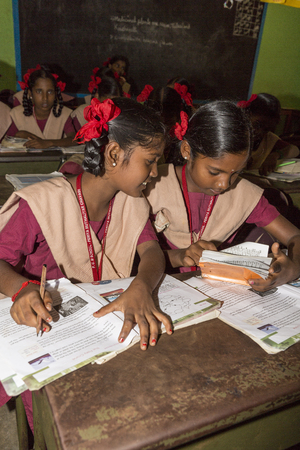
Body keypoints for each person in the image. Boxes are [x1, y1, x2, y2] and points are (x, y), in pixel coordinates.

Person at [0, 97, 173, 431]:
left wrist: (141, 285)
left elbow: (153, 253)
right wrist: (20, 289)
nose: (155, 173)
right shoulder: (44, 202)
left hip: (98, 330)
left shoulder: (131, 202)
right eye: (150, 162)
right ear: (112, 155)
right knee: (67, 422)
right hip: (48, 330)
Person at [145, 100, 300, 292]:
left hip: (215, 290)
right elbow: (133, 256)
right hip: (158, 287)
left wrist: (293, 267)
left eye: (236, 173)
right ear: (186, 150)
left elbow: (295, 236)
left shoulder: (244, 194)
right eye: (214, 171)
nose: (224, 184)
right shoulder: (151, 185)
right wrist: (179, 255)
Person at [7, 66, 76, 148]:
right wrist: (21, 135)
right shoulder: (16, 114)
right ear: (30, 93)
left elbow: (73, 140)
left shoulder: (64, 113)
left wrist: (48, 143)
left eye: (50, 92)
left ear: (56, 93)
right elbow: (8, 144)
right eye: (39, 91)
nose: (45, 98)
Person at [237, 93, 299, 175]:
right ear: (247, 115)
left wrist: (275, 155)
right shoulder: (232, 134)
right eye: (257, 125)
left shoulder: (268, 139)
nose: (260, 132)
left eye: (267, 129)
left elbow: (294, 150)